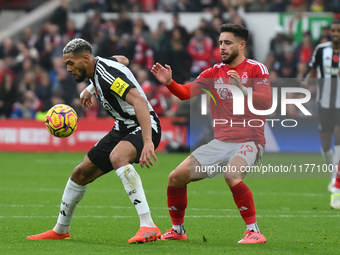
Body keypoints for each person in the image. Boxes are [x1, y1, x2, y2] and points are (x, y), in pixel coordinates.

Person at [26, 38, 162, 243]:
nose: (68, 68)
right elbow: (122, 59)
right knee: (80, 173)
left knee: (118, 157)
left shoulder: (107, 76)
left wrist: (148, 140)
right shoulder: (97, 68)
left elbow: (139, 101)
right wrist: (90, 88)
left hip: (144, 125)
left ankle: (148, 225)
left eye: (71, 63)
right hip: (121, 127)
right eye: (66, 64)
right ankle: (60, 229)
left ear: (86, 58)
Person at [151, 23, 271, 243]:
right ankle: (178, 231)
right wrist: (170, 83)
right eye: (220, 43)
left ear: (242, 45)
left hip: (250, 141)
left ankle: (254, 231)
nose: (222, 47)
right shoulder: (214, 72)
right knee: (175, 178)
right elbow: (186, 93)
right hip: (221, 142)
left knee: (232, 175)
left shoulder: (256, 69)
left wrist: (243, 89)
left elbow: (266, 101)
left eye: (228, 43)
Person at [303, 20, 340, 205]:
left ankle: (336, 183)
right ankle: (333, 174)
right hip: (324, 103)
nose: (335, 33)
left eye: (338, 31)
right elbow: (312, 70)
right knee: (326, 146)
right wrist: (306, 82)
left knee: (338, 137)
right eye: (333, 30)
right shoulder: (321, 50)